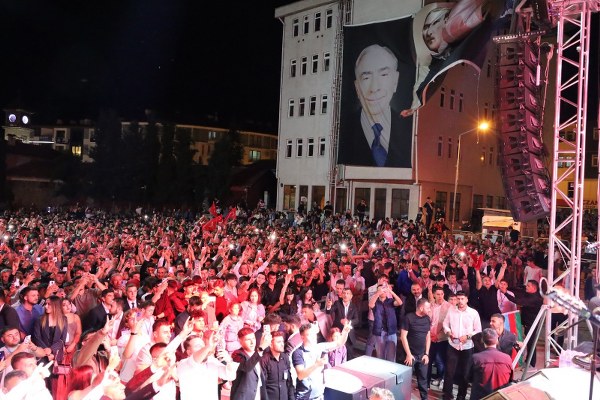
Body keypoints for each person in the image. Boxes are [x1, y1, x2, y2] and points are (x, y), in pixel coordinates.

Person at [338, 44, 412, 168]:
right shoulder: (342, 130)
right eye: (366, 78)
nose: (374, 88)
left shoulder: (411, 129)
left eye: (383, 75)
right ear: (357, 87)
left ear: (395, 81)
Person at [293, 322, 351, 400]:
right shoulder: (298, 352)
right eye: (309, 335)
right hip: (305, 396)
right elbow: (300, 375)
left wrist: (345, 332)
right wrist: (316, 365)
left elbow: (339, 343)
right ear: (302, 337)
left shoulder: (320, 347)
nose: (313, 337)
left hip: (319, 394)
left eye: (314, 334)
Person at [442, 291, 482, 400]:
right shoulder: (451, 310)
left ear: (467, 299)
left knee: (465, 374)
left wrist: (468, 336)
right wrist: (448, 331)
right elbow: (445, 323)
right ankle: (447, 395)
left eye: (462, 299)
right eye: (458, 299)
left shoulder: (473, 313)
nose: (460, 301)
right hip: (453, 345)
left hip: (467, 346)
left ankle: (461, 397)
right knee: (449, 372)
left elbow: (478, 329)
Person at [504, 280, 543, 368]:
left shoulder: (534, 298)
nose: (526, 287)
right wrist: (508, 288)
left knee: (531, 343)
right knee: (529, 343)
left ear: (534, 288)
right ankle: (528, 361)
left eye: (528, 286)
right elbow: (519, 290)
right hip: (527, 323)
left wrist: (505, 292)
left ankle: (531, 363)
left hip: (532, 324)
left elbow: (518, 301)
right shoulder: (529, 294)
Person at [400, 298, 431, 400]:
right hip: (410, 355)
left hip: (422, 355)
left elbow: (428, 337)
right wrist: (409, 354)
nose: (429, 310)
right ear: (421, 308)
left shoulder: (427, 319)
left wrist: (426, 354)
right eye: (428, 308)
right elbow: (403, 336)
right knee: (406, 381)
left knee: (423, 380)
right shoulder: (409, 317)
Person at [470, 328, 512, 400]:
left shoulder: (475, 358)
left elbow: (468, 377)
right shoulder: (507, 358)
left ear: (482, 340)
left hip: (480, 396)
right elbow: (510, 379)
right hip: (499, 397)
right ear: (497, 340)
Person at [230, 326, 270, 400]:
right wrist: (260, 349)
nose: (252, 342)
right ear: (240, 341)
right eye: (248, 340)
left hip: (257, 394)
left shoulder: (257, 354)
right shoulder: (237, 354)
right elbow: (246, 367)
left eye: (253, 338)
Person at [369, 281, 403, 361]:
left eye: (384, 290)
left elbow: (400, 302)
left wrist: (390, 291)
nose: (382, 291)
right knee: (380, 356)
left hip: (391, 331)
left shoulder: (390, 301)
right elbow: (370, 304)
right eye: (380, 290)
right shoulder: (375, 302)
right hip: (379, 331)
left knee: (391, 356)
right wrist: (378, 293)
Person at [260, 331, 295, 400]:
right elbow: (262, 385)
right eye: (279, 342)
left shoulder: (285, 357)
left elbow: (289, 381)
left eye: (282, 342)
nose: (282, 344)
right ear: (271, 344)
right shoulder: (264, 360)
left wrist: (291, 397)